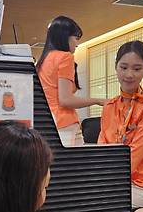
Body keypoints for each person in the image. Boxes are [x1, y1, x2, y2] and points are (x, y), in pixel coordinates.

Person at [98, 41, 143, 208]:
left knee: (100, 206)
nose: (129, 74)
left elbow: (134, 156)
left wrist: (105, 185)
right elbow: (101, 150)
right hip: (117, 183)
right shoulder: (109, 106)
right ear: (116, 67)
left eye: (137, 69)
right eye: (123, 67)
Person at [37, 16, 105, 146]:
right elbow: (65, 100)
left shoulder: (43, 60)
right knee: (73, 164)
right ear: (65, 36)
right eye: (76, 38)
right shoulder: (65, 57)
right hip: (64, 123)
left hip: (48, 123)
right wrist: (97, 100)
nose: (77, 43)